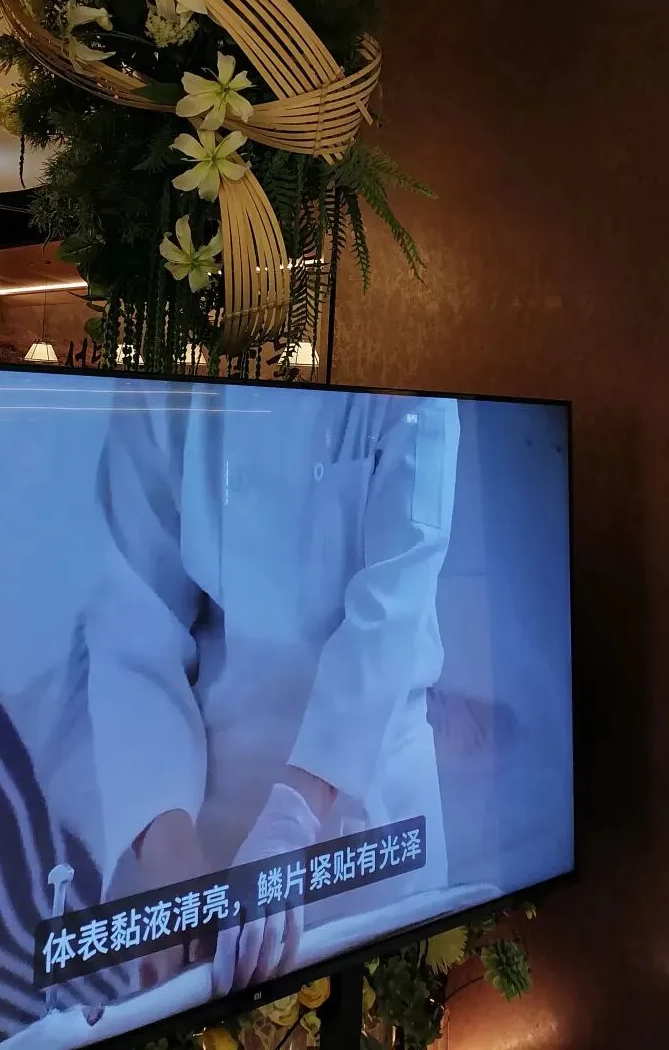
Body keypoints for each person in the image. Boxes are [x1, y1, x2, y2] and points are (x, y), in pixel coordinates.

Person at [85, 384, 460, 998]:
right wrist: (168, 853)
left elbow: (392, 610)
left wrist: (292, 817)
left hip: (374, 803)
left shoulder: (410, 385)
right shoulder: (165, 386)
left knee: (385, 1008)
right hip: (210, 804)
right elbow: (133, 620)